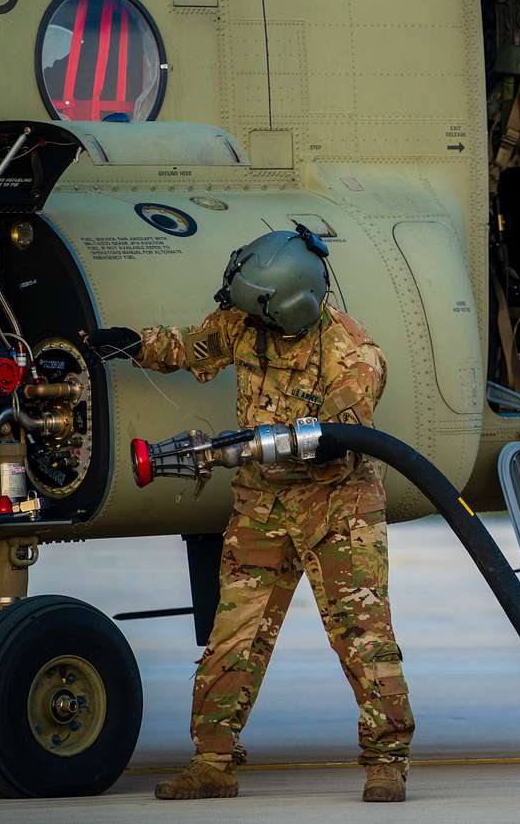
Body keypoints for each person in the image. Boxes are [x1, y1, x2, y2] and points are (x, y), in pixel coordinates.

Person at [85, 225, 414, 802]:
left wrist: (278, 441)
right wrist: (131, 344)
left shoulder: (353, 355)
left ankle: (387, 760)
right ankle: (213, 761)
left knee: (363, 635)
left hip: (338, 506)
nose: (246, 324)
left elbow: (345, 431)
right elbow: (191, 348)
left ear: (288, 308)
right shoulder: (243, 323)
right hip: (262, 504)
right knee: (234, 635)